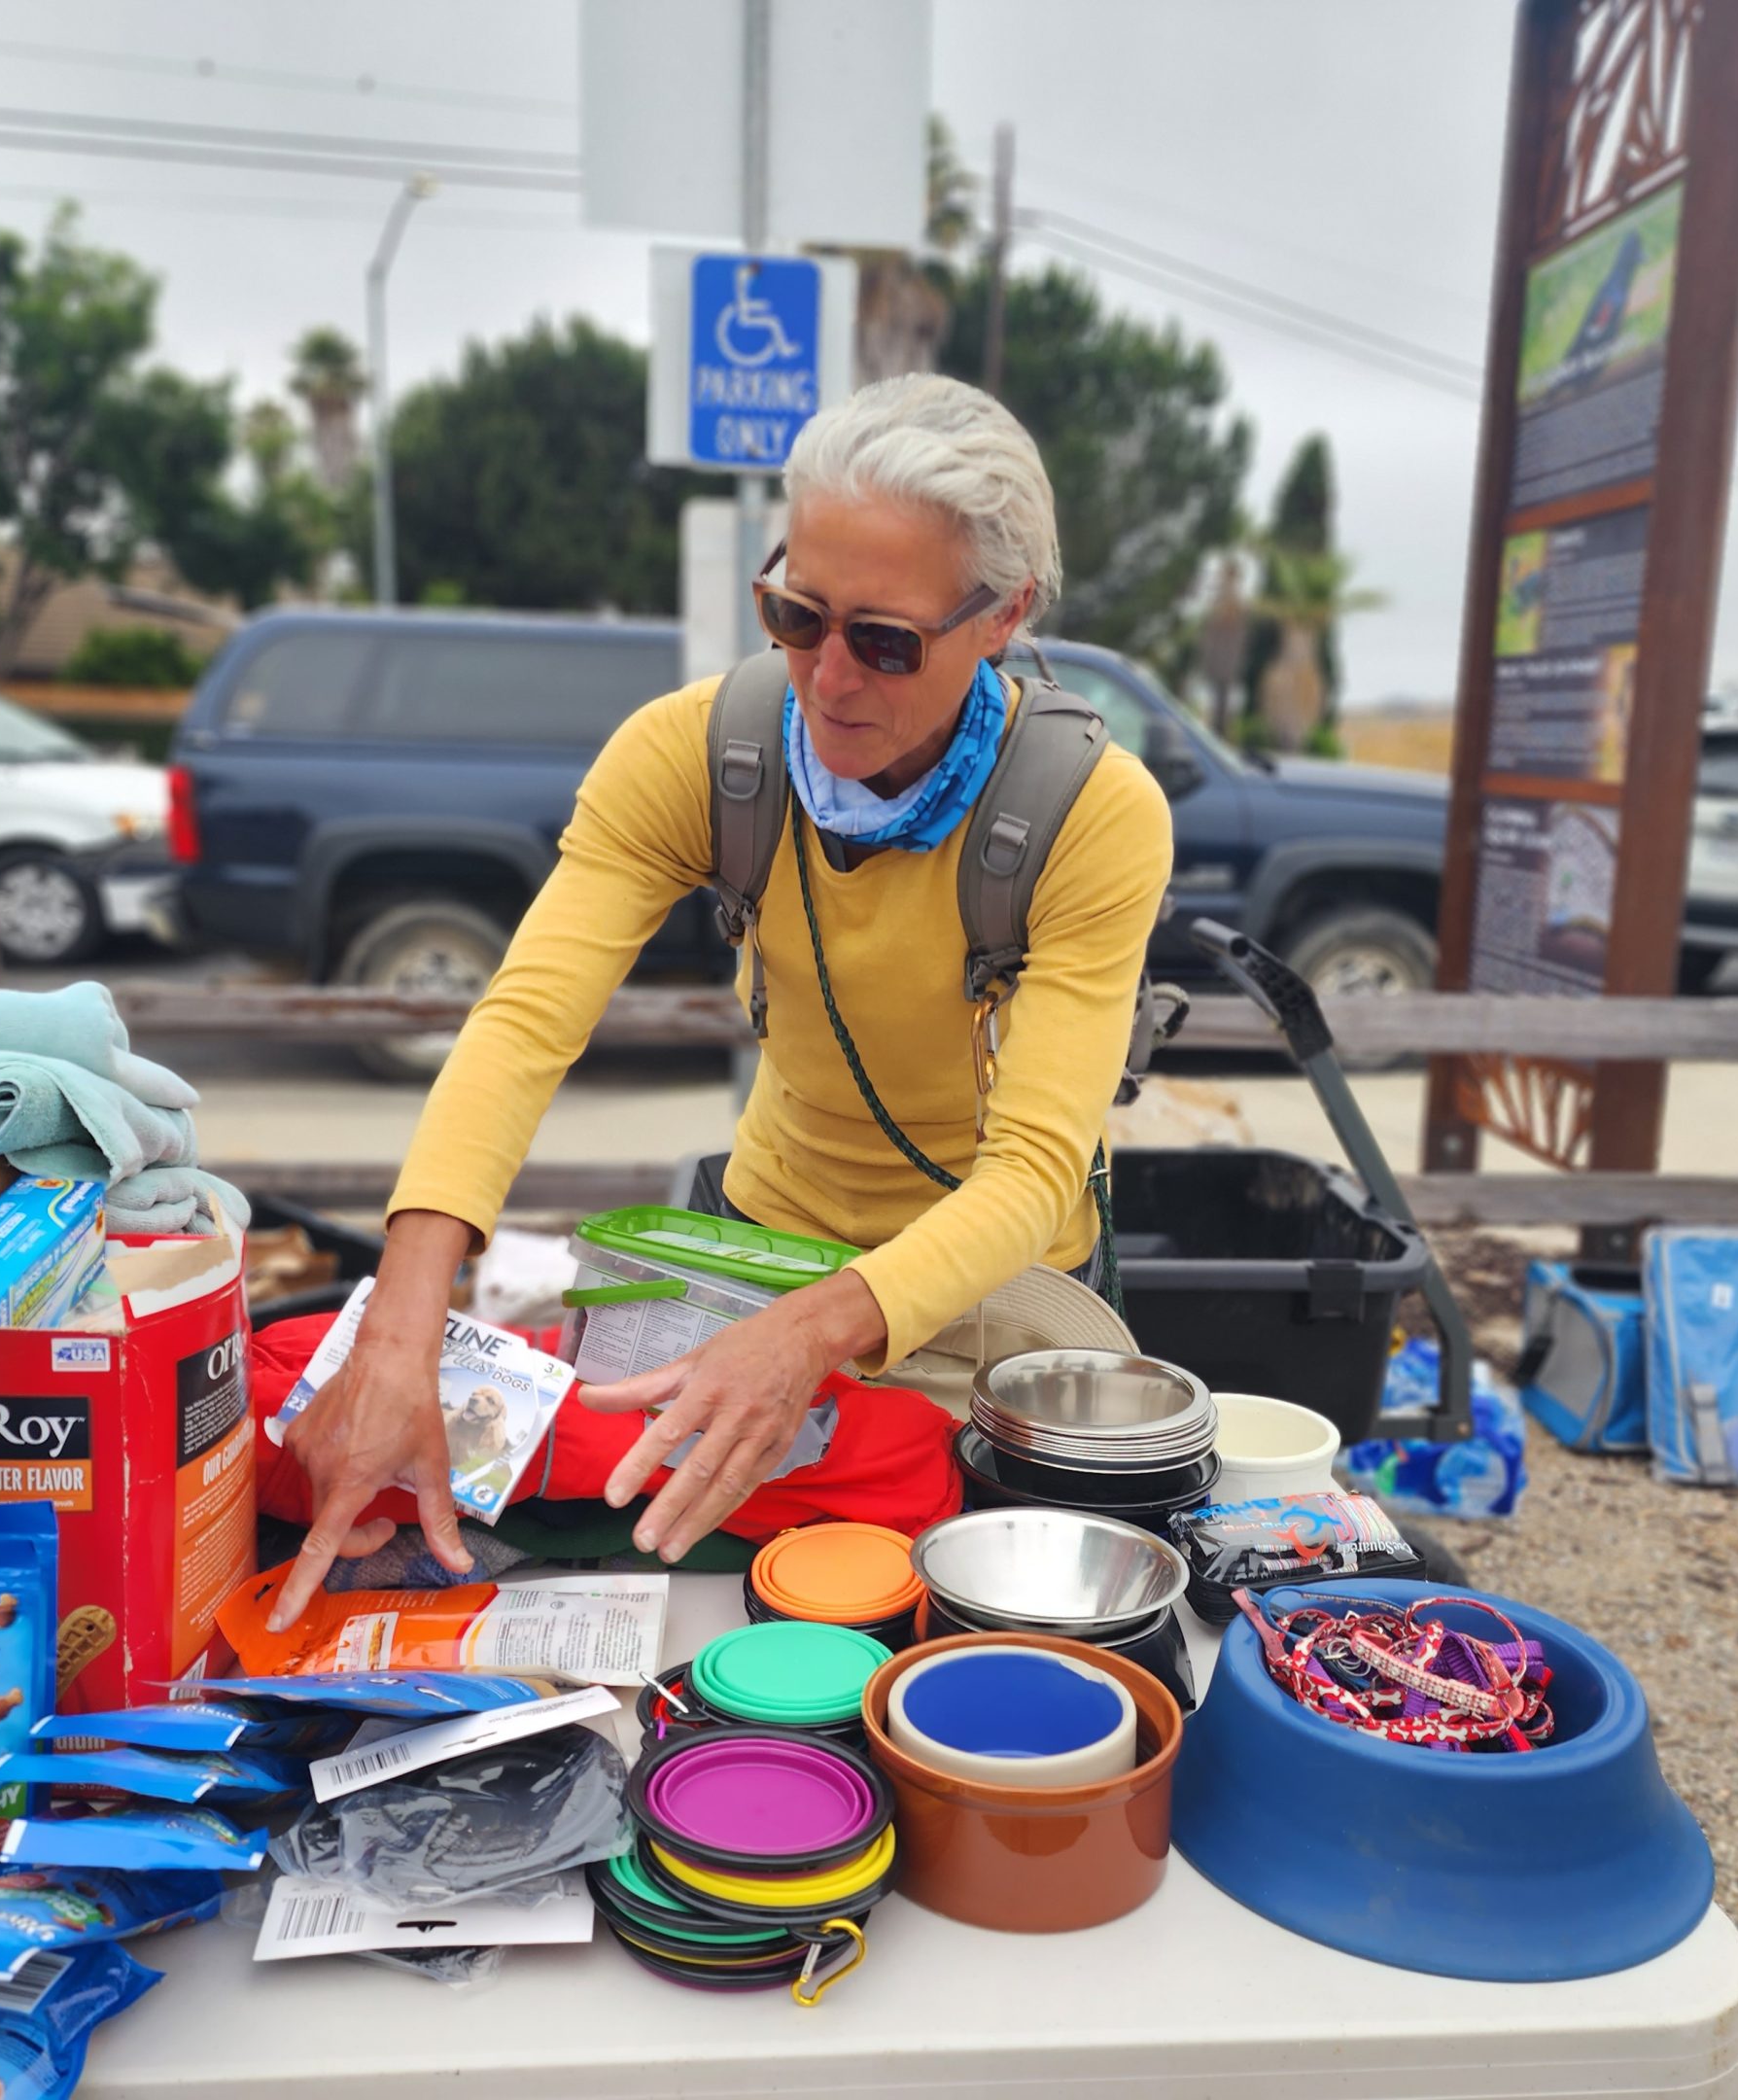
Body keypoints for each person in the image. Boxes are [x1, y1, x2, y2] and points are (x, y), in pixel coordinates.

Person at [268, 374, 1172, 1628]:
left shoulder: (1092, 815)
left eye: (886, 641)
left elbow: (1031, 1172)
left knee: (958, 1619)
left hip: (996, 1298)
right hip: (758, 1248)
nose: (828, 678)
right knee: (698, 1605)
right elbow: (524, 1026)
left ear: (1003, 615)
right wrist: (400, 1330)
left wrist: (811, 1335)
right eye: (796, 615)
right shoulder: (697, 755)